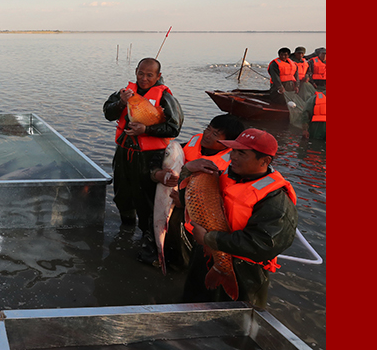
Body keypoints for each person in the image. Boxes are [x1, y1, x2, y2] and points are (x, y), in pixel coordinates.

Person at [180, 128, 298, 309]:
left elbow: (264, 243)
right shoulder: (223, 175)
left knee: (234, 325)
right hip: (206, 256)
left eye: (241, 153)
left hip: (244, 271)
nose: (233, 156)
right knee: (191, 308)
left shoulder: (275, 200)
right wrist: (187, 170)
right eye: (233, 150)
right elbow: (187, 200)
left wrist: (209, 238)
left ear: (265, 161)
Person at [102, 57, 183, 255]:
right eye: (141, 73)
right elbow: (108, 113)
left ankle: (148, 236)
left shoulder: (165, 98)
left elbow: (174, 127)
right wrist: (121, 103)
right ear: (135, 72)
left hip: (149, 157)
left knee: (146, 197)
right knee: (122, 192)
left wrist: (146, 129)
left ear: (158, 76)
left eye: (149, 75)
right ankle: (126, 225)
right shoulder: (124, 93)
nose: (144, 78)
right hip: (124, 153)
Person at [147, 114, 245, 270]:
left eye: (215, 134)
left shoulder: (232, 166)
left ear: (228, 142)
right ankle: (160, 253)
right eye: (208, 129)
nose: (207, 135)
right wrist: (157, 173)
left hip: (197, 210)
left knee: (182, 240)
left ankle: (180, 267)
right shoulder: (191, 144)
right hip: (172, 196)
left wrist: (184, 202)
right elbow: (157, 158)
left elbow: (224, 198)